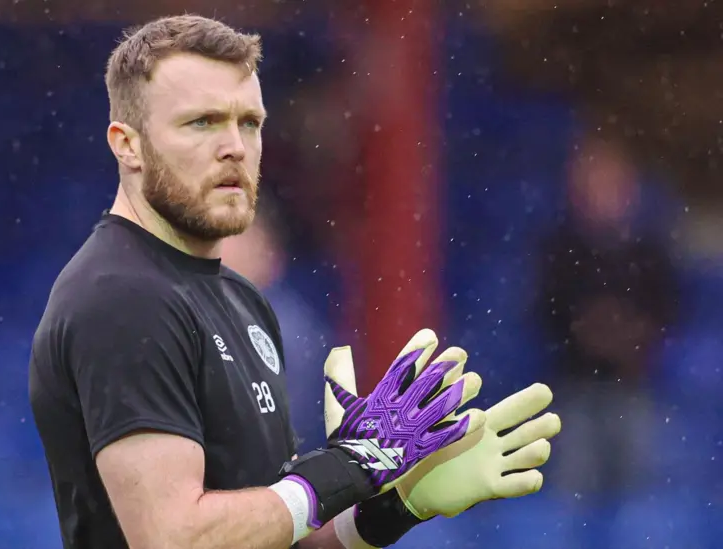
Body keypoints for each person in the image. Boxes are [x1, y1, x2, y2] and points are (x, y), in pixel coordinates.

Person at [28, 14, 560, 549]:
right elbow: (175, 539)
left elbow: (277, 534)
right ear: (128, 145)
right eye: (202, 123)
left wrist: (395, 508)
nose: (235, 146)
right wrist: (347, 468)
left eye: (250, 123)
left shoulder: (242, 301)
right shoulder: (123, 296)